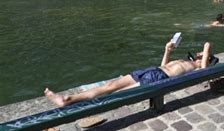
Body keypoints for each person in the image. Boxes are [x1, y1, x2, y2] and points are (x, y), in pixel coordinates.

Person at [44, 41, 213, 107]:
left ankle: (72, 102)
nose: (199, 52)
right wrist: (167, 51)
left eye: (202, 54)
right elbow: (164, 66)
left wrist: (207, 49)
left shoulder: (199, 67)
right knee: (110, 85)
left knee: (117, 95)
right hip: (152, 71)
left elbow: (204, 72)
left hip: (159, 79)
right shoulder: (185, 60)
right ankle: (66, 98)